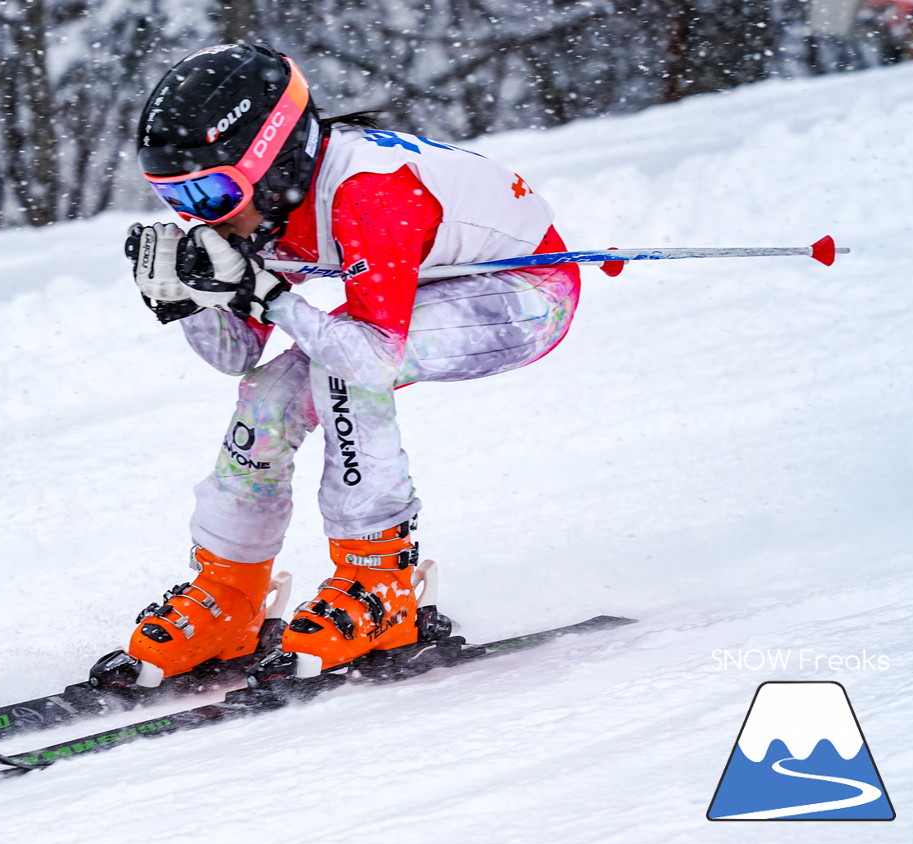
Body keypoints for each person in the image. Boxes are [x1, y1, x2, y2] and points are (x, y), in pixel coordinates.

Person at [97, 43, 581, 688]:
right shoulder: (255, 209)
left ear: (275, 159)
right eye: (174, 197)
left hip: (522, 297)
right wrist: (186, 300)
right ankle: (231, 595)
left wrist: (269, 294)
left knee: (342, 372)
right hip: (420, 292)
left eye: (212, 191)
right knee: (270, 394)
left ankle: (383, 582)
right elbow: (236, 357)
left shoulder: (368, 192)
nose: (198, 217)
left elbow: (372, 359)